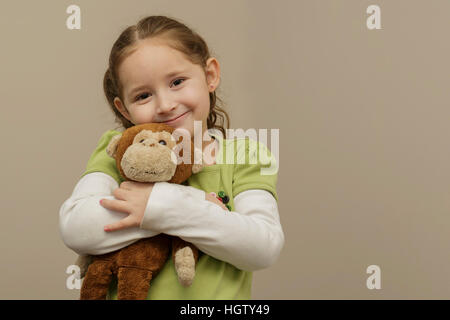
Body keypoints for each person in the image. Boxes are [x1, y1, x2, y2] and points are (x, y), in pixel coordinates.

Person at [59, 15, 284, 299]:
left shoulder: (245, 155)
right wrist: (199, 205)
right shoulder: (117, 150)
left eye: (177, 81)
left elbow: (263, 247)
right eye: (143, 96)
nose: (165, 105)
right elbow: (76, 227)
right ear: (124, 109)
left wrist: (157, 206)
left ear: (210, 75)